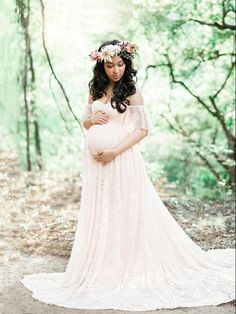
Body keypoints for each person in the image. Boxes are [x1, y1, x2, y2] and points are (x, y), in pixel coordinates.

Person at [20, 39, 235, 311]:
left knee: (126, 207)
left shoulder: (131, 90)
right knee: (103, 208)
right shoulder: (94, 88)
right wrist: (92, 121)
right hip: (95, 164)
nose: (116, 70)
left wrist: (113, 151)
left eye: (120, 64)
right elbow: (86, 123)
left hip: (121, 159)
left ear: (126, 63)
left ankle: (126, 262)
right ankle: (103, 260)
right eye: (110, 65)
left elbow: (143, 129)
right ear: (101, 66)